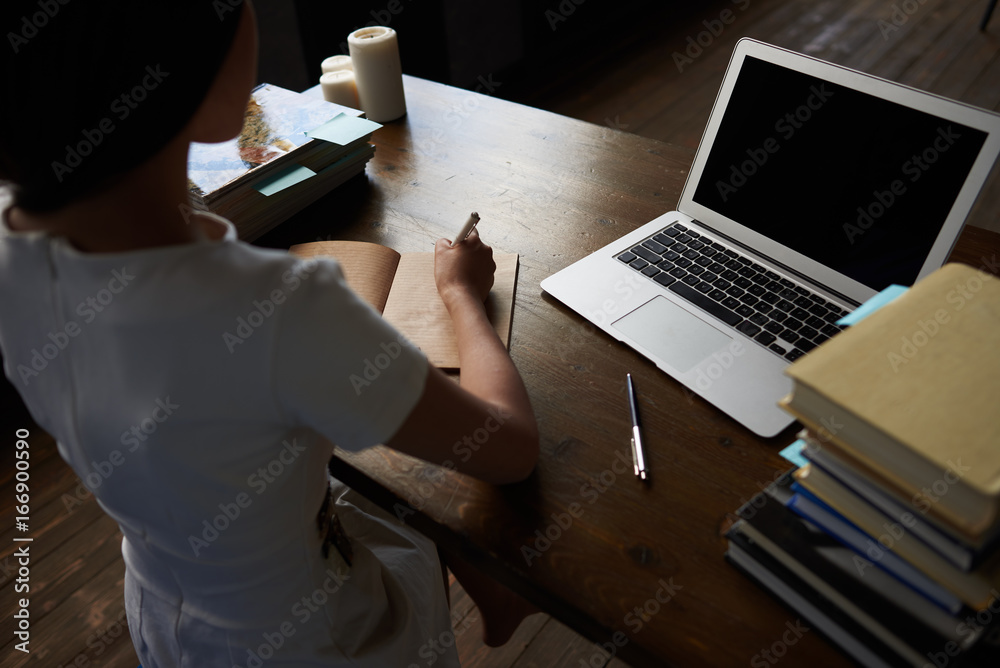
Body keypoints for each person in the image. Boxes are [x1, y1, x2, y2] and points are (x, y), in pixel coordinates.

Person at [0, 2, 539, 666]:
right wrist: (460, 295)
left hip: (165, 611)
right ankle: (495, 586)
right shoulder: (278, 307)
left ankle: (486, 587)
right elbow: (510, 446)